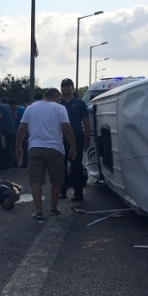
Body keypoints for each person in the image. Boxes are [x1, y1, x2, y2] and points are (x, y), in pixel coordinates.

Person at [15, 88, 76, 221]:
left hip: (35, 148)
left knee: (36, 181)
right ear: (55, 96)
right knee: (56, 180)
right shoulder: (60, 109)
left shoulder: (30, 108)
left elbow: (21, 129)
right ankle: (53, 208)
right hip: (55, 148)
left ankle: (38, 211)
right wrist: (73, 146)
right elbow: (67, 129)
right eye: (58, 98)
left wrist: (18, 147)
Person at [59, 78, 91, 202]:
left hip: (77, 137)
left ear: (73, 88)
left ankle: (78, 192)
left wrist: (87, 138)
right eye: (63, 86)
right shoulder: (58, 104)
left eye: (68, 86)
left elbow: (86, 121)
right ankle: (62, 190)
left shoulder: (80, 104)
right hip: (61, 138)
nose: (66, 88)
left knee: (76, 166)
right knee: (61, 166)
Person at [0, 97, 16, 169]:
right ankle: (9, 163)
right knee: (9, 147)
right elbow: (14, 116)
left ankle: (4, 164)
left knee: (3, 147)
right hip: (12, 129)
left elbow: (0, 117)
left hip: (4, 130)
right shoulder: (8, 106)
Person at [9, 99, 27, 168]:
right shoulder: (22, 108)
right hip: (21, 129)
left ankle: (16, 161)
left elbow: (14, 119)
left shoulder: (18, 110)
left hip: (18, 129)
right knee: (23, 146)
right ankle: (25, 161)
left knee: (17, 146)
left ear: (13, 104)